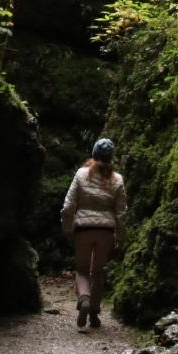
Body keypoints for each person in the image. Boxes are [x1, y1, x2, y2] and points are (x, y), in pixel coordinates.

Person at [60, 137, 127, 330]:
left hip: (83, 229)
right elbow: (122, 212)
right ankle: (94, 315)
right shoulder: (117, 180)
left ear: (93, 154)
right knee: (98, 272)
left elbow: (68, 206)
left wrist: (67, 228)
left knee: (82, 270)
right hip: (106, 231)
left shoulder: (81, 175)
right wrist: (120, 238)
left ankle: (85, 299)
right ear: (111, 158)